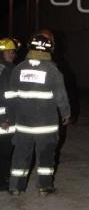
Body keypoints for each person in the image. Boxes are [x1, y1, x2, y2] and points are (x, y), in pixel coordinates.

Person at [6, 33, 70, 196]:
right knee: (46, 157)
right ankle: (44, 187)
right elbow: (61, 95)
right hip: (46, 126)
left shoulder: (18, 69)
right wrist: (66, 113)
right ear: (49, 49)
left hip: (23, 125)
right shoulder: (52, 69)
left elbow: (11, 97)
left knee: (20, 156)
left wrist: (9, 118)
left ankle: (15, 187)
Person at [0, 38, 17, 191]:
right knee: (4, 152)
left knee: (8, 151)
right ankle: (2, 182)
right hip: (4, 121)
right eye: (9, 51)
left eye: (13, 51)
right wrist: (2, 119)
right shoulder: (4, 70)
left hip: (10, 118)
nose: (12, 54)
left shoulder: (10, 68)